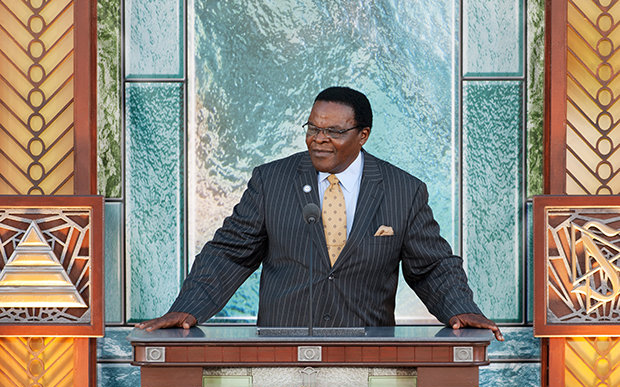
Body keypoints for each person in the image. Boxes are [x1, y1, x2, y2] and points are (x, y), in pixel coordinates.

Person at [138, 87, 503, 341]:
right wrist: (188, 308)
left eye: (333, 131)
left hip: (367, 358)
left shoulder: (403, 190)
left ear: (363, 135)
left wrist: (461, 309)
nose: (318, 139)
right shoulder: (271, 181)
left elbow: (432, 266)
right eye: (313, 128)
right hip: (280, 353)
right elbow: (229, 254)